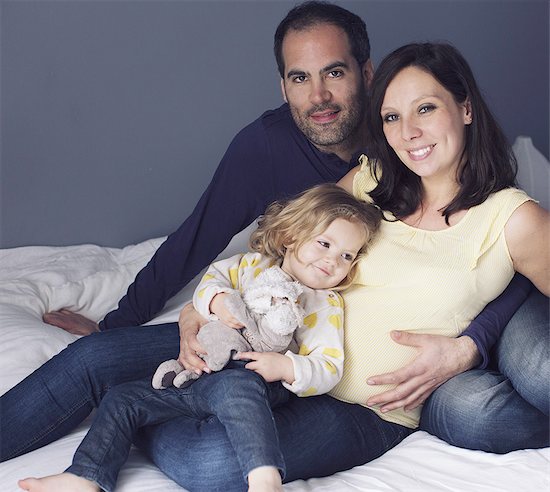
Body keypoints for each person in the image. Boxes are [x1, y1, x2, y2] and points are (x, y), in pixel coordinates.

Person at [0, 1, 546, 487]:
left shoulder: (510, 218)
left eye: (426, 109)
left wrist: (470, 344)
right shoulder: (372, 176)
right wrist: (199, 307)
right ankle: (151, 395)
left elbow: (521, 282)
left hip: (359, 403)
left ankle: (145, 405)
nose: (410, 132)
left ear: (465, 108)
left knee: (207, 462)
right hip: (271, 329)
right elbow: (280, 244)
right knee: (94, 356)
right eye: (394, 117)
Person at [18, 184, 381, 492]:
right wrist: (218, 303)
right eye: (324, 244)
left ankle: (264, 474)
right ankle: (86, 476)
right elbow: (209, 286)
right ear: (289, 237)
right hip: (195, 377)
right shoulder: (250, 266)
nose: (333, 260)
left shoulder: (323, 304)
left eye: (347, 255)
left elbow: (328, 366)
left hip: (251, 383)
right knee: (123, 397)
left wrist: (286, 365)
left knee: (237, 387)